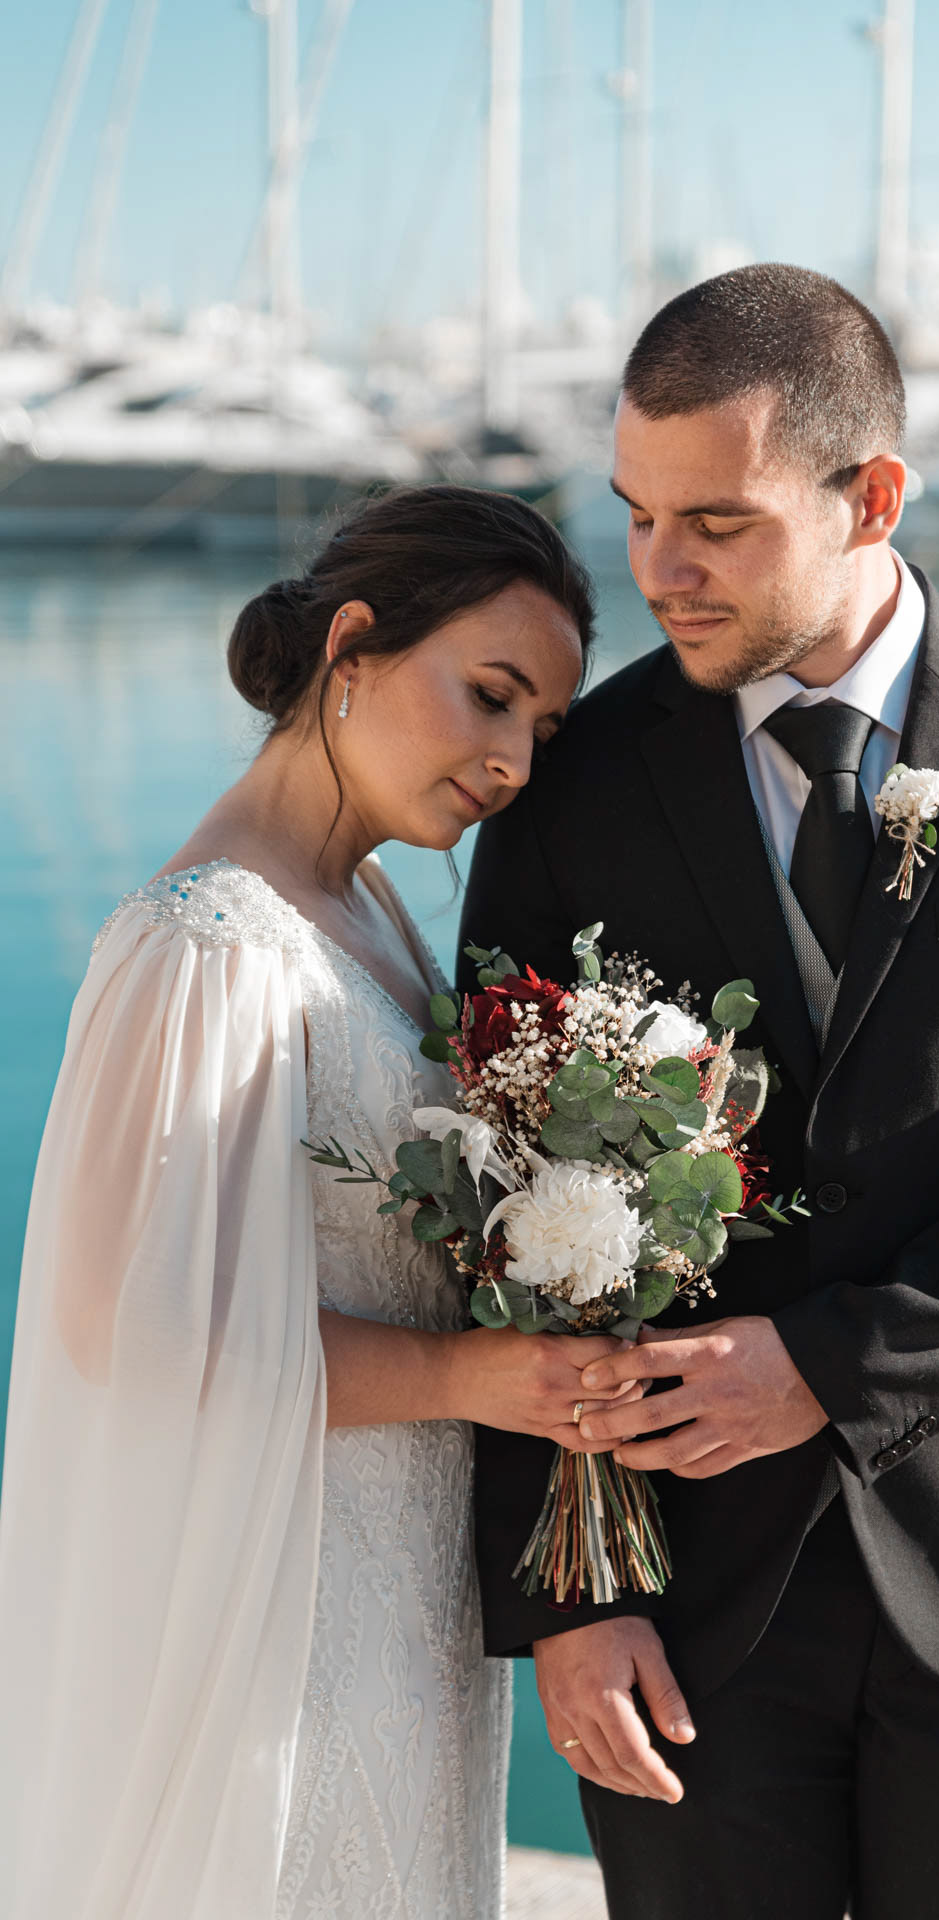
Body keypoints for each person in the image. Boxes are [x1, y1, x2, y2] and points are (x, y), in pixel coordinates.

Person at [459, 266, 939, 1920]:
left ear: (868, 495)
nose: (656, 570)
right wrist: (569, 1588)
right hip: (678, 1592)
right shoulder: (566, 787)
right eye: (635, 514)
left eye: (715, 524)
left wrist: (823, 1364)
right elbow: (499, 1193)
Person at [0, 485, 640, 1920]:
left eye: (537, 727)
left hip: (402, 1582)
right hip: (276, 1592)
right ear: (351, 646)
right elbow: (132, 1331)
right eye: (487, 695)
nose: (513, 760)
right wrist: (478, 1374)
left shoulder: (374, 912)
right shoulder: (208, 943)